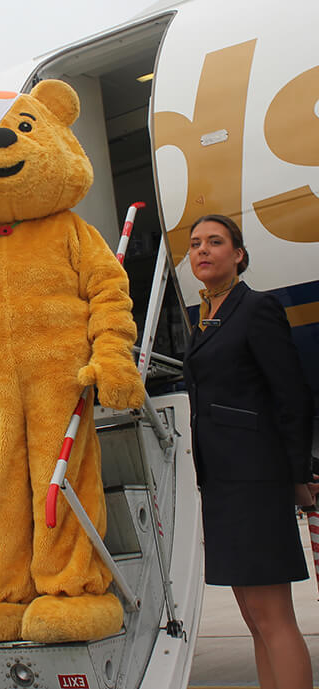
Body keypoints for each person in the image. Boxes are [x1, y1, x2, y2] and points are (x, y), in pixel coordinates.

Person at [183, 214, 318, 689]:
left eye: (215, 242)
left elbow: (292, 393)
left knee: (272, 615)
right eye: (196, 243)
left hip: (254, 479)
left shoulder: (256, 308)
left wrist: (296, 474)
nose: (203, 250)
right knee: (253, 618)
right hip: (223, 483)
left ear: (237, 255)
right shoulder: (208, 318)